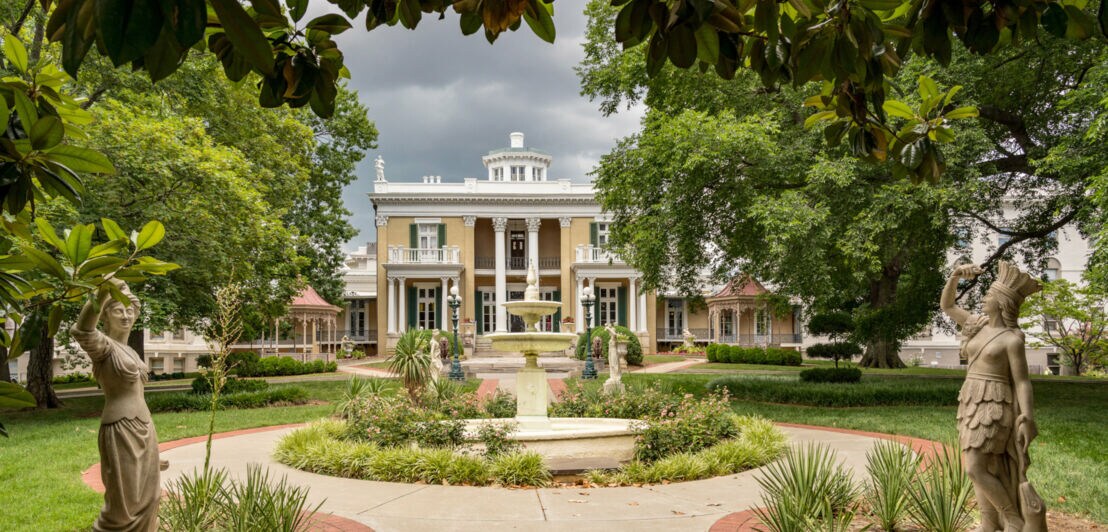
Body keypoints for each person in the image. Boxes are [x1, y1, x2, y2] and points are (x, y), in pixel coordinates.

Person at [940, 262, 1045, 532]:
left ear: (1001, 303)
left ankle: (1011, 518)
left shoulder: (1012, 339)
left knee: (975, 468)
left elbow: (1022, 381)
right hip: (971, 401)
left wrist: (1027, 417)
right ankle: (990, 523)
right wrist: (954, 276)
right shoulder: (978, 325)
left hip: (996, 403)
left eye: (988, 295)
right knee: (985, 467)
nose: (984, 298)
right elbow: (948, 306)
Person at [71, 280, 160, 532]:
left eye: (130, 310)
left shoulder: (131, 352)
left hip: (144, 428)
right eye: (118, 309)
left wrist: (154, 445)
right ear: (106, 315)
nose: (126, 315)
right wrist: (101, 293)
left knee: (150, 498)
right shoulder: (103, 347)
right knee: (124, 506)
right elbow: (83, 329)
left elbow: (139, 395)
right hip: (121, 430)